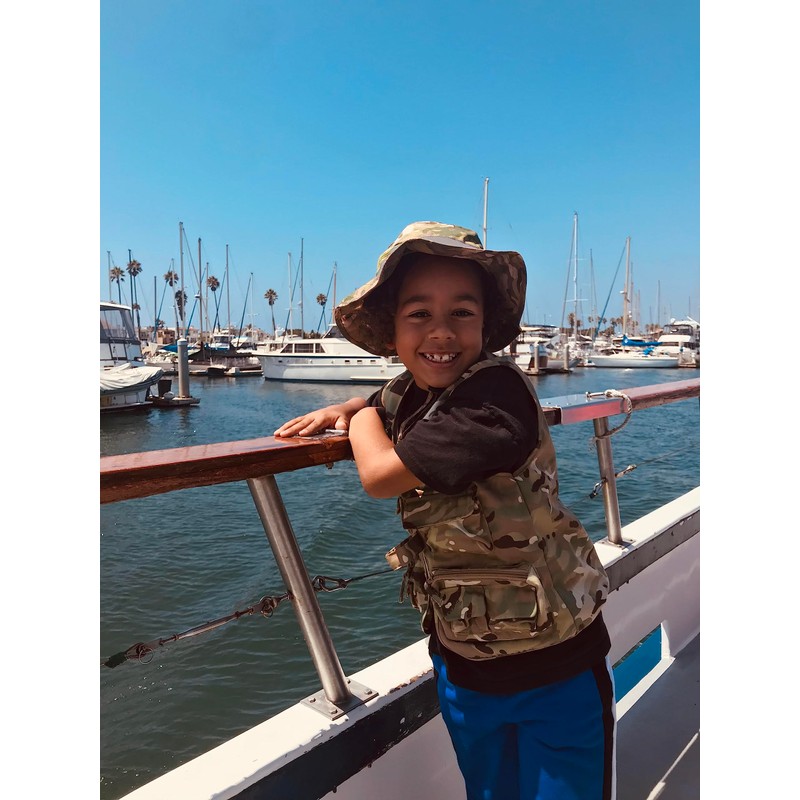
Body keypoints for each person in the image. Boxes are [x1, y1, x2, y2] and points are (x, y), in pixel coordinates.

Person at [274, 221, 615, 800]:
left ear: (485, 324)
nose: (441, 331)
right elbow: (383, 398)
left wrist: (359, 420)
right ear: (393, 327)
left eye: (461, 312)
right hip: (463, 661)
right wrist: (353, 403)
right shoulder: (411, 392)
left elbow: (381, 476)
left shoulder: (497, 399)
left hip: (555, 664)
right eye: (419, 314)